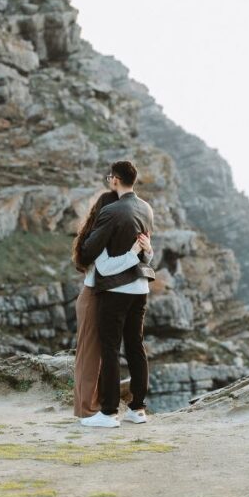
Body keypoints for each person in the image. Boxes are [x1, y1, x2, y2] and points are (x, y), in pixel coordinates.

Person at [78, 160, 155, 429]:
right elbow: (148, 252)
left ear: (115, 180)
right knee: (136, 346)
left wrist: (132, 254)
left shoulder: (111, 211)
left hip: (117, 290)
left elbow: (95, 254)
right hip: (141, 288)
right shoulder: (146, 208)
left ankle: (109, 412)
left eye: (110, 177)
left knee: (111, 349)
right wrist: (141, 252)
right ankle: (138, 409)